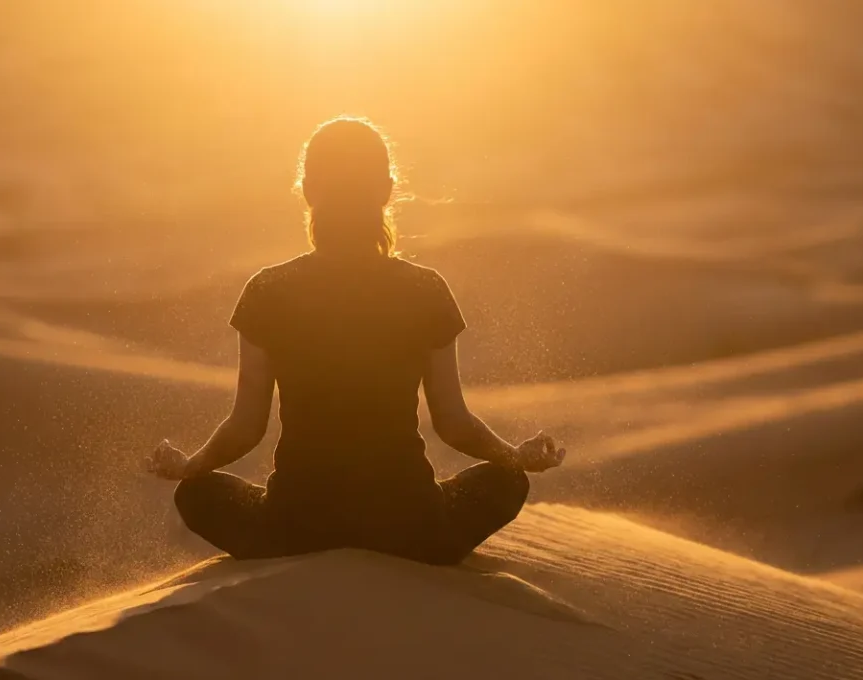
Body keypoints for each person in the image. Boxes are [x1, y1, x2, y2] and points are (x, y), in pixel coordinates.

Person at [145, 116, 565, 566]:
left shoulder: (269, 290)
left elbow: (246, 426)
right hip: (412, 528)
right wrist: (514, 456)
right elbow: (453, 422)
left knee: (198, 494)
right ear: (386, 190)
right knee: (508, 481)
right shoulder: (425, 289)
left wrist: (191, 466)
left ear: (307, 190)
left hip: (294, 527)